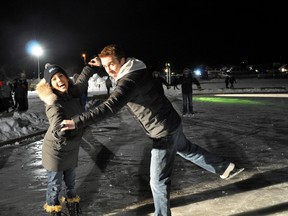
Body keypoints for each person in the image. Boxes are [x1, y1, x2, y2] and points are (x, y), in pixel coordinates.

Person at [61, 44, 244, 216]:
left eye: (112, 64)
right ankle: (225, 167)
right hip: (171, 122)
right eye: (106, 65)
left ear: (122, 61)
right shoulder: (138, 68)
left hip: (162, 132)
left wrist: (78, 121)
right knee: (188, 150)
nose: (109, 69)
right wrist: (100, 63)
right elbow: (111, 65)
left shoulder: (128, 81)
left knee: (158, 181)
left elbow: (110, 107)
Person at [35, 61, 100, 216]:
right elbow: (57, 123)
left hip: (71, 148)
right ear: (50, 85)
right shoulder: (53, 102)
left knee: (70, 183)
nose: (59, 80)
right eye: (54, 79)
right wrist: (62, 130)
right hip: (55, 151)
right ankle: (54, 211)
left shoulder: (72, 92)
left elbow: (82, 82)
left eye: (61, 76)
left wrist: (89, 67)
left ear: (66, 77)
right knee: (55, 185)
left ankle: (73, 208)